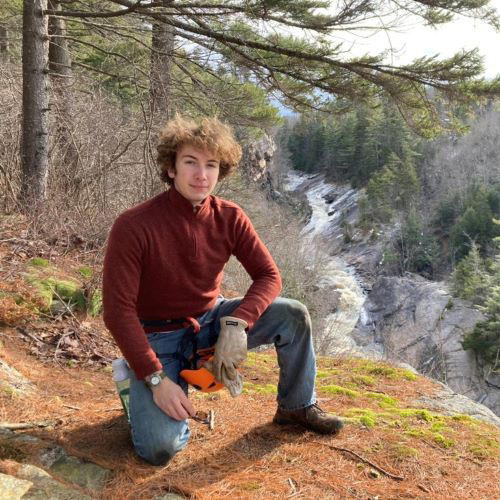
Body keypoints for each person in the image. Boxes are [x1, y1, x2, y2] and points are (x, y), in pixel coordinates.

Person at [102, 116, 343, 466]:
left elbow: (268, 275)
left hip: (212, 322)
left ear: (221, 171)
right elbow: (117, 311)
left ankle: (296, 407)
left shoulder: (229, 217)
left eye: (211, 165)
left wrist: (237, 324)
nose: (202, 174)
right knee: (158, 450)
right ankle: (140, 389)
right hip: (157, 337)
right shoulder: (134, 225)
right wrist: (156, 380)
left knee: (292, 314)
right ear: (171, 168)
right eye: (191, 163)